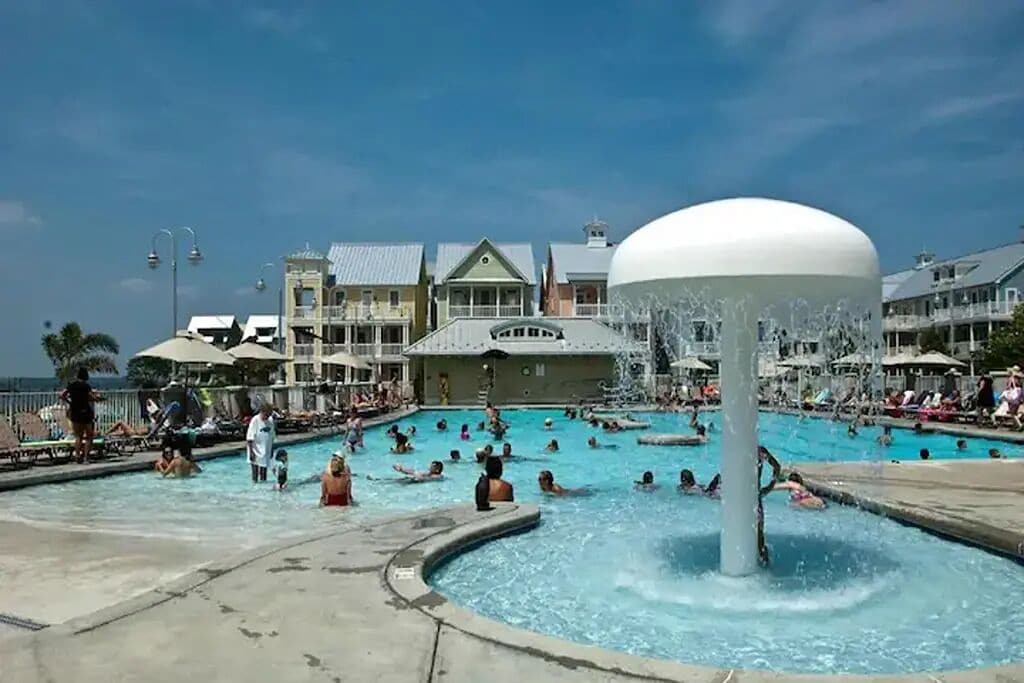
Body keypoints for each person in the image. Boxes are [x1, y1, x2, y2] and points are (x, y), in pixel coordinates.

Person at [60, 367, 104, 464]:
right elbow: (91, 397)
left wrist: (69, 402)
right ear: (86, 376)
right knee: (89, 436)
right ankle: (86, 458)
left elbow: (62, 395)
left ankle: (77, 457)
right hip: (85, 412)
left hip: (75, 412)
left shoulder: (72, 385)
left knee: (78, 436)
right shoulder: (85, 386)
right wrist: (99, 399)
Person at [757, 445, 782, 567]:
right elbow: (777, 467)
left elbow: (777, 467)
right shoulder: (759, 451)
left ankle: (765, 565)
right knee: (759, 534)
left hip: (754, 496)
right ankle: (764, 564)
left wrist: (771, 486)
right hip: (753, 496)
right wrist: (770, 486)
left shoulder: (759, 451)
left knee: (759, 534)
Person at [246, 403, 276, 482]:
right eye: (266, 415)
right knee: (255, 473)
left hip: (266, 450)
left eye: (269, 415)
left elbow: (272, 436)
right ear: (261, 412)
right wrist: (251, 452)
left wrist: (272, 449)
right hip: (255, 450)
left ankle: (263, 489)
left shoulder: (270, 420)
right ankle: (255, 488)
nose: (267, 417)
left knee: (264, 472)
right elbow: (249, 438)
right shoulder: (255, 420)